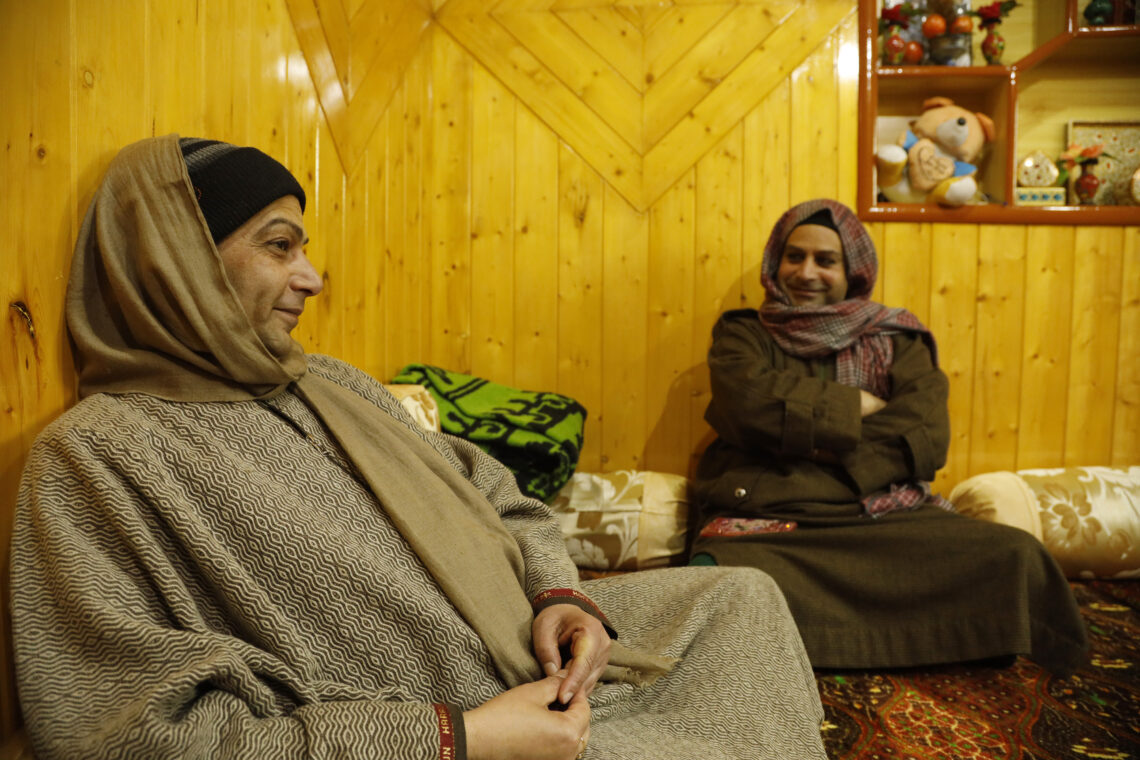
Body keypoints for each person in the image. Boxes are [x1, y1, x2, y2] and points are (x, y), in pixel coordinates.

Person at [10, 135, 828, 760]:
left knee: (740, 597)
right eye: (279, 245)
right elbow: (123, 731)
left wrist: (560, 598)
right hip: (444, 727)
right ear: (176, 261)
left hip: (519, 651)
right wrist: (460, 736)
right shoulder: (100, 456)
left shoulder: (321, 380)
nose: (313, 277)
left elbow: (500, 494)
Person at [689, 198, 1089, 675]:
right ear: (776, 263)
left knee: (1015, 554)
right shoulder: (744, 334)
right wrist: (854, 406)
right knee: (723, 575)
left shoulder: (897, 337)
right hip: (776, 518)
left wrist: (802, 437)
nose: (806, 272)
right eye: (794, 257)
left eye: (826, 260)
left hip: (881, 514)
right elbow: (745, 404)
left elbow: (925, 432)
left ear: (853, 270)